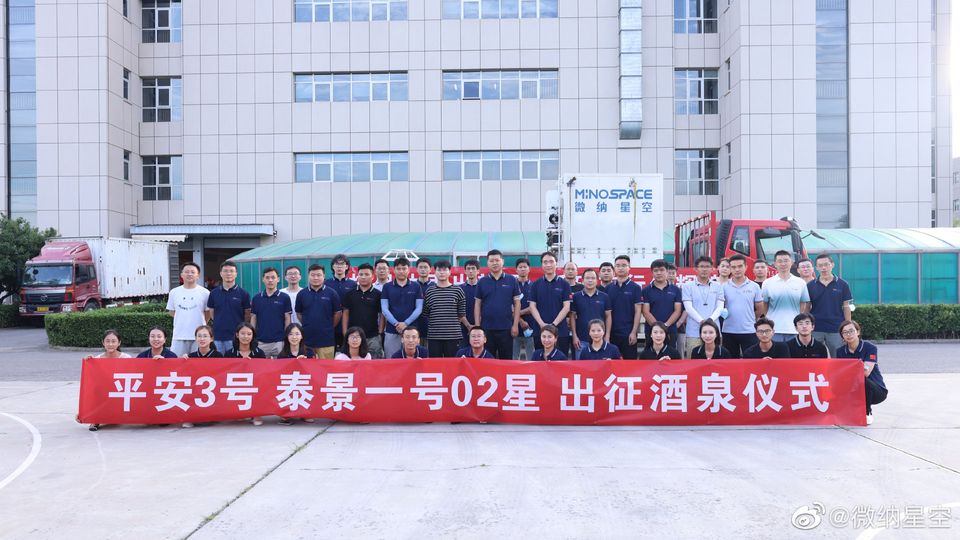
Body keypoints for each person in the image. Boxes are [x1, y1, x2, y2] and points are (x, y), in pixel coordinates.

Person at [835, 320, 888, 425]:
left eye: (851, 331)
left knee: (862, 379)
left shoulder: (870, 347)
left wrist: (848, 373)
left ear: (858, 332)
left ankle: (867, 413)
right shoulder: (840, 351)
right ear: (842, 336)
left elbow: (866, 372)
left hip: (876, 391)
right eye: (845, 332)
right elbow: (840, 373)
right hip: (852, 388)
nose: (849, 334)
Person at [475, 249, 521, 359]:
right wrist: (477, 327)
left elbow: (517, 303)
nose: (494, 263)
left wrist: (515, 325)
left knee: (506, 360)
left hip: (506, 328)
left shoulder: (512, 280)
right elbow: (477, 304)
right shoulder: (482, 281)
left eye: (497, 260)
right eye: (491, 261)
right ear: (487, 263)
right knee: (487, 360)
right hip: (486, 328)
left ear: (502, 261)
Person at [294, 264, 342, 359]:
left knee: (326, 366)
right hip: (307, 340)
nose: (316, 278)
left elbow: (338, 313)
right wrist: (308, 323)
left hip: (326, 340)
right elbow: (299, 313)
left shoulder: (332, 293)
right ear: (308, 276)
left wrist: (329, 326)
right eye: (313, 275)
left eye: (319, 275)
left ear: (324, 276)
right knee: (307, 366)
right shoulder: (301, 294)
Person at [528, 252, 573, 353]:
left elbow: (566, 307)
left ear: (556, 264)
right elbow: (532, 306)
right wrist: (542, 324)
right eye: (545, 262)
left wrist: (553, 325)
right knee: (541, 359)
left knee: (561, 360)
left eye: (551, 262)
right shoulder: (535, 284)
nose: (548, 265)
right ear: (541, 265)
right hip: (540, 331)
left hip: (560, 331)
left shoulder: (564, 284)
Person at [681, 256, 726, 358]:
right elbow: (688, 308)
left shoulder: (718, 286)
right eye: (701, 266)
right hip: (694, 331)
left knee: (716, 360)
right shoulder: (687, 286)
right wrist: (701, 321)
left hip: (714, 331)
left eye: (707, 266)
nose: (704, 269)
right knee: (694, 360)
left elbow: (720, 307)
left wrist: (710, 320)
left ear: (712, 269)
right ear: (695, 269)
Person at [761, 250, 810, 342]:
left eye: (786, 261)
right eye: (780, 261)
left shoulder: (800, 282)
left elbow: (803, 304)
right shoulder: (767, 283)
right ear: (775, 264)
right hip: (774, 329)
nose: (783, 264)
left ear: (791, 262)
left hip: (794, 329)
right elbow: (765, 305)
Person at [423, 260, 468, 358]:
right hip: (434, 336)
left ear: (450, 272)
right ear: (435, 272)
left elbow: (461, 314)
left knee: (452, 364)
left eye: (444, 270)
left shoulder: (458, 290)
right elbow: (426, 313)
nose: (442, 272)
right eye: (439, 270)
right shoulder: (430, 291)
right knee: (434, 363)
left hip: (453, 336)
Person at [721, 254, 764, 358]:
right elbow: (720, 307)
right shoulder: (723, 287)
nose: (737, 269)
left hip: (749, 330)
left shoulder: (754, 286)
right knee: (730, 361)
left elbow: (760, 308)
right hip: (728, 330)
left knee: (751, 361)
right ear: (730, 269)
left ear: (746, 267)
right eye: (733, 267)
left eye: (740, 266)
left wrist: (751, 318)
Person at [808, 254, 853, 353]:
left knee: (837, 357)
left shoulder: (843, 284)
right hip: (816, 328)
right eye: (820, 265)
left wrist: (848, 325)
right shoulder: (810, 285)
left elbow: (846, 306)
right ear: (816, 267)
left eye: (826, 264)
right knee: (815, 357)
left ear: (832, 264)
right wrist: (806, 324)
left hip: (836, 328)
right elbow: (807, 307)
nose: (823, 268)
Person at [381, 257, 424, 358]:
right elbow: (384, 308)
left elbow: (419, 309)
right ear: (394, 270)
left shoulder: (416, 286)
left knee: (413, 360)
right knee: (391, 360)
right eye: (398, 268)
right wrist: (396, 323)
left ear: (409, 270)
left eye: (404, 268)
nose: (401, 271)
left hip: (411, 331)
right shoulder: (387, 287)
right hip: (392, 330)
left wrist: (406, 323)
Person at [206, 261, 251, 354]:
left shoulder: (243, 293)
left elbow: (247, 314)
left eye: (231, 271)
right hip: (218, 336)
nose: (228, 273)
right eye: (225, 271)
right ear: (221, 273)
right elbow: (212, 313)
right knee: (219, 361)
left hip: (236, 337)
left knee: (234, 362)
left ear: (236, 274)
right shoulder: (213, 293)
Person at [341, 263, 385, 359]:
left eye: (366, 274)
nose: (363, 277)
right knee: (354, 362)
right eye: (361, 274)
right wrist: (345, 332)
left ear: (372, 276)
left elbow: (382, 314)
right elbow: (345, 313)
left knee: (374, 363)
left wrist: (380, 332)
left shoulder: (378, 294)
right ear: (357, 276)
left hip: (372, 336)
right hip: (353, 336)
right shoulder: (350, 294)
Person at [166, 262, 210, 357]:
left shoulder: (205, 293)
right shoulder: (174, 292)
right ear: (181, 274)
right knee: (177, 362)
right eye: (186, 272)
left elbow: (208, 313)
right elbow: (172, 312)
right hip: (179, 335)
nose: (189, 274)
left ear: (198, 275)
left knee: (198, 363)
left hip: (199, 337)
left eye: (193, 272)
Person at [250, 267, 292, 358]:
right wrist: (252, 336)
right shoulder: (257, 298)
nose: (270, 280)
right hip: (261, 341)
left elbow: (287, 318)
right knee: (261, 366)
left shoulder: (284, 297)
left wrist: (286, 337)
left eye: (273, 277)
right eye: (267, 277)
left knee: (280, 365)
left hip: (279, 341)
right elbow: (253, 318)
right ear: (263, 279)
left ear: (278, 279)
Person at [606, 255, 643, 360]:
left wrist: (634, 332)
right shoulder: (609, 288)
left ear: (629, 267)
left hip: (628, 333)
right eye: (617, 265)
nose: (620, 268)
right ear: (614, 268)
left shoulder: (635, 287)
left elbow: (638, 311)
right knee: (612, 363)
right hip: (612, 333)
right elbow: (607, 313)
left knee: (629, 364)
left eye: (623, 265)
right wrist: (607, 335)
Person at [640, 259, 682, 348]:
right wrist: (657, 328)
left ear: (667, 271)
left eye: (662, 270)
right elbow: (646, 312)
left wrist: (666, 325)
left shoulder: (675, 290)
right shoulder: (646, 290)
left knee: (670, 354)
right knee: (651, 354)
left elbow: (677, 311)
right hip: (652, 330)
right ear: (652, 273)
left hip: (670, 330)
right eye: (656, 271)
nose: (659, 273)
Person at [570, 268, 612, 353]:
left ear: (597, 280)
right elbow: (572, 317)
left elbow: (608, 316)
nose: (590, 280)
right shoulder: (576, 297)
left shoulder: (604, 297)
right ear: (582, 280)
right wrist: (574, 336)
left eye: (593, 278)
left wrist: (607, 336)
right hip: (581, 340)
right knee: (580, 362)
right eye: (587, 278)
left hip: (600, 339)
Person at [328, 254, 358, 351]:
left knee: (348, 353)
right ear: (333, 267)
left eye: (342, 264)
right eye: (337, 264)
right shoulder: (326, 284)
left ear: (347, 266)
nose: (339, 267)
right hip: (331, 325)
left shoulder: (353, 284)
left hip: (349, 325)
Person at [512, 258, 536, 360]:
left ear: (529, 269)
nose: (522, 269)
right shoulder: (512, 285)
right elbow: (509, 306)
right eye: (520, 267)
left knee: (531, 359)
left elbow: (534, 307)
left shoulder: (534, 286)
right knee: (513, 359)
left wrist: (518, 313)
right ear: (516, 270)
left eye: (525, 267)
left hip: (531, 327)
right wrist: (520, 320)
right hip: (514, 328)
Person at [414, 258, 436, 346]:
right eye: (420, 267)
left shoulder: (435, 286)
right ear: (416, 269)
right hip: (414, 327)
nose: (423, 269)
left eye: (425, 267)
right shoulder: (412, 286)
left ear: (430, 269)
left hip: (431, 328)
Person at [460, 258, 482, 346]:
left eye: (473, 268)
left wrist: (477, 325)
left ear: (478, 271)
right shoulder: (460, 288)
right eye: (468, 269)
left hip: (482, 326)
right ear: (465, 271)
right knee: (463, 351)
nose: (471, 271)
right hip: (463, 327)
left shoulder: (483, 287)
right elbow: (457, 309)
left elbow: (487, 307)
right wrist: (468, 325)